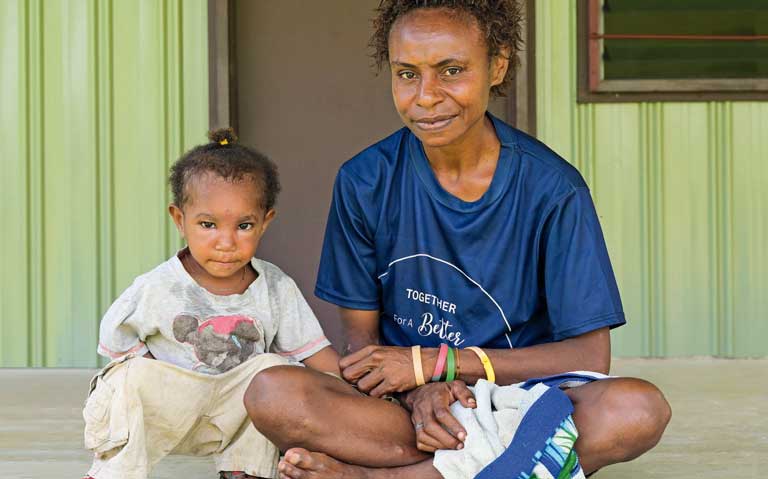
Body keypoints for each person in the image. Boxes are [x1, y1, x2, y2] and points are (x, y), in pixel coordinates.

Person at [244, 1, 672, 478]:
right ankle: (503, 465)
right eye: (408, 74)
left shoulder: (552, 189)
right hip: (408, 409)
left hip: (520, 402)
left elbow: (589, 357)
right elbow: (360, 341)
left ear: (498, 67)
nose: (426, 96)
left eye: (451, 70)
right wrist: (416, 390)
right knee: (273, 394)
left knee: (636, 409)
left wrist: (439, 365)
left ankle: (378, 476)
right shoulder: (364, 181)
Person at [81, 129, 340, 479]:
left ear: (265, 223)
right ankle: (116, 472)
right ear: (179, 220)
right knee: (127, 376)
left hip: (237, 413)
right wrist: (160, 376)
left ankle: (244, 471)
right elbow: (116, 341)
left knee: (272, 368)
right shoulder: (158, 287)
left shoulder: (275, 287)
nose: (226, 242)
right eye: (208, 225)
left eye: (244, 225)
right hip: (170, 410)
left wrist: (357, 399)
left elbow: (318, 358)